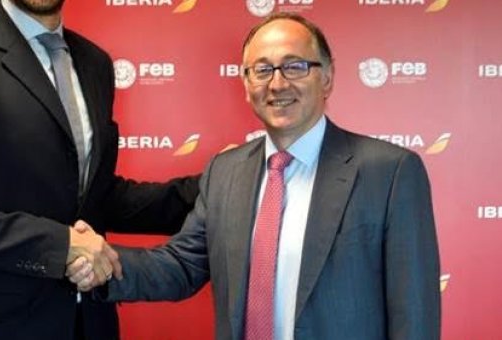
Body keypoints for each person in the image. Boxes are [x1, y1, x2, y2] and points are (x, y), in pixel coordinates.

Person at [68, 13, 441, 340]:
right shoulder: (226, 171)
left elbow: (415, 313)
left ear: (326, 78)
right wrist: (101, 265)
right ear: (247, 85)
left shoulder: (390, 173)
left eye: (295, 66)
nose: (277, 84)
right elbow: (181, 265)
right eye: (262, 70)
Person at [0, 0, 198, 339]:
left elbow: (95, 197)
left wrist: (221, 188)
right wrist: (57, 245)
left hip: (87, 324)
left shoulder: (95, 62)